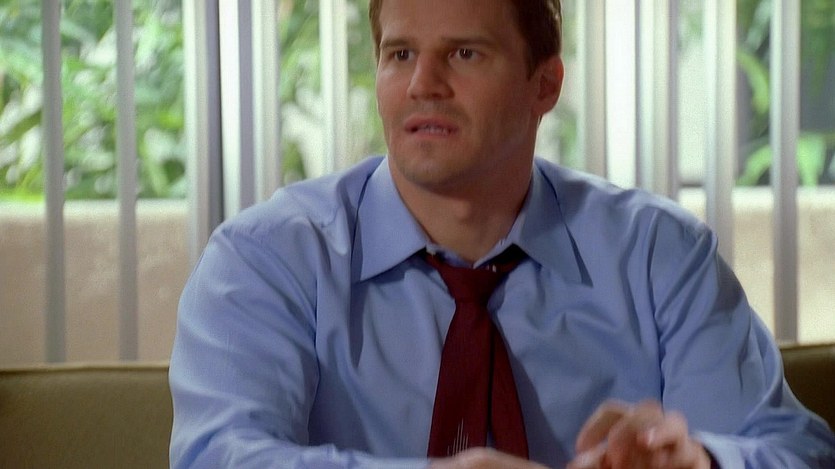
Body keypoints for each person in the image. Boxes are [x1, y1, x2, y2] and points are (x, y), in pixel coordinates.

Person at [168, 0, 835, 467]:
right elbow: (219, 456)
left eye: (464, 53)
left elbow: (790, 449)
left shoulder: (658, 254)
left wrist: (699, 461)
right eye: (400, 54)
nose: (422, 84)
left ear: (544, 85)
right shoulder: (267, 258)